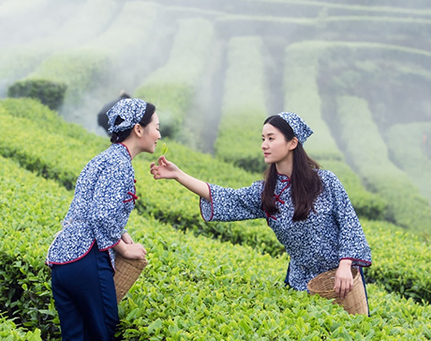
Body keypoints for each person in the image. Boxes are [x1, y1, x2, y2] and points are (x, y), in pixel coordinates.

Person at [150, 112, 372, 303]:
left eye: (271, 138)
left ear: (292, 143)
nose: (264, 145)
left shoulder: (325, 182)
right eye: (263, 138)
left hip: (342, 281)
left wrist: (345, 265)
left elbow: (348, 223)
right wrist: (178, 175)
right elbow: (226, 197)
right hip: (300, 283)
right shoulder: (266, 192)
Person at [47, 98, 159, 340]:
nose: (159, 134)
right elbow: (102, 215)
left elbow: (93, 209)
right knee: (102, 329)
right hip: (88, 257)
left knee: (75, 335)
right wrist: (125, 250)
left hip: (63, 261)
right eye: (156, 127)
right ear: (139, 129)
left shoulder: (104, 158)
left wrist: (123, 234)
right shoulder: (119, 164)